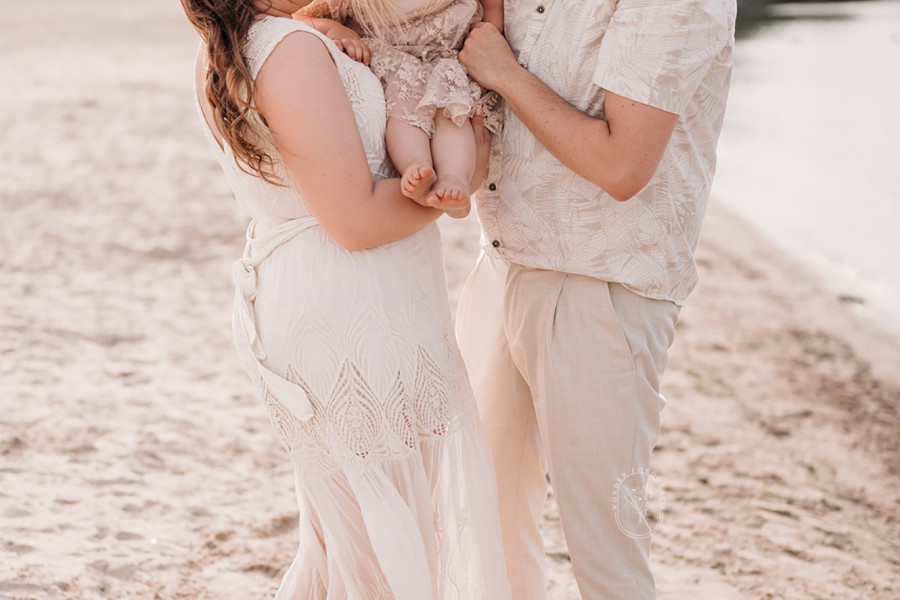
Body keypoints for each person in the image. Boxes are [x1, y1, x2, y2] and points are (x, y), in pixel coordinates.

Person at [179, 0, 511, 598]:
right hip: (353, 306)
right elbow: (355, 219)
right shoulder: (288, 49)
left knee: (352, 546)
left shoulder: (253, 42)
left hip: (353, 297)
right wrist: (473, 164)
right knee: (377, 552)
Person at [456, 1, 736, 598]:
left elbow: (622, 164)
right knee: (484, 518)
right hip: (502, 258)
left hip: (600, 286)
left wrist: (504, 73)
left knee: (605, 554)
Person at [299, 0, 503, 214]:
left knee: (453, 114)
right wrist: (332, 27)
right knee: (404, 111)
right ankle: (416, 165)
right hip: (396, 61)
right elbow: (296, 18)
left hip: (449, 57)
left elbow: (493, 5)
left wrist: (490, 31)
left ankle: (455, 178)